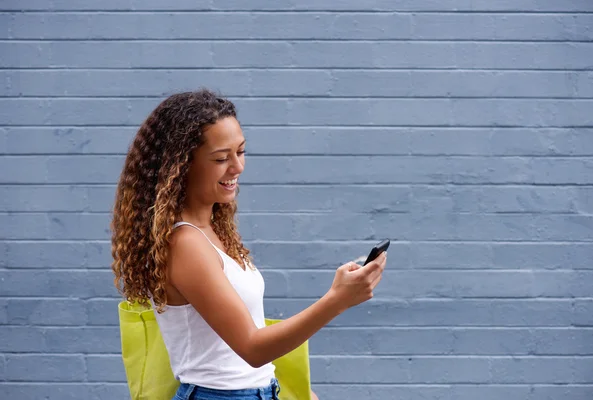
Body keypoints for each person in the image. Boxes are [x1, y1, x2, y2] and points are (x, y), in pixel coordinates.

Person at [110, 89, 387, 400]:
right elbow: (252, 347)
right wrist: (338, 300)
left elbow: (241, 344)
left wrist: (298, 390)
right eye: (220, 158)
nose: (237, 167)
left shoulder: (212, 231)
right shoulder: (185, 243)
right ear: (181, 165)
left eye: (240, 152)